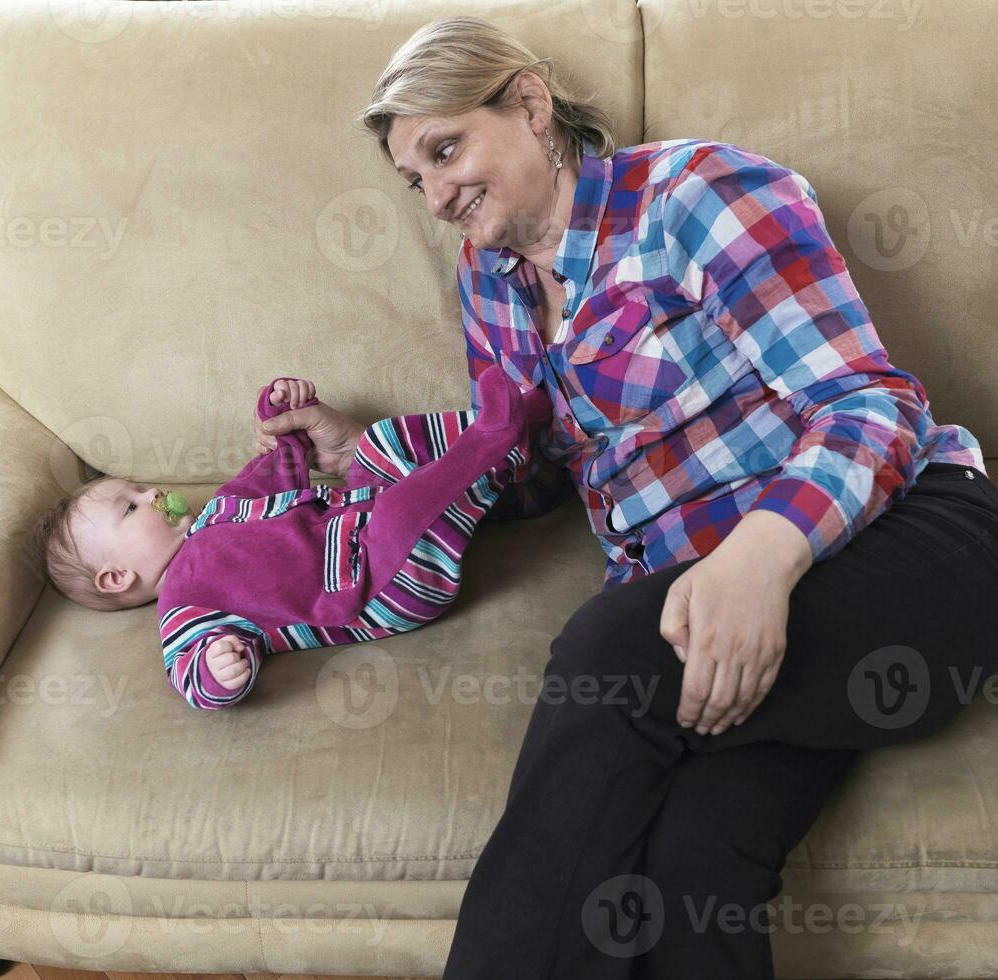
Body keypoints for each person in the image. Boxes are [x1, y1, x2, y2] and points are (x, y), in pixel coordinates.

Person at [252, 14, 998, 978]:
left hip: (911, 549)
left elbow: (869, 405)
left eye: (446, 150)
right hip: (713, 622)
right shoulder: (489, 285)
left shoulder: (696, 196)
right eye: (413, 178)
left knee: (608, 650)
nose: (435, 195)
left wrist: (758, 558)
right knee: (689, 867)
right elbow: (526, 471)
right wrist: (368, 457)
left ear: (527, 106)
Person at [31, 365, 553, 709]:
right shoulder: (185, 602)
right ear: (118, 576)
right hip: (377, 587)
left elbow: (275, 466)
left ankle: (515, 428)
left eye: (141, 489)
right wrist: (217, 671)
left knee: (378, 446)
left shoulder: (220, 510)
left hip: (359, 517)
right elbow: (189, 670)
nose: (152, 495)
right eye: (132, 506)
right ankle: (490, 444)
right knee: (400, 514)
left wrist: (279, 419)